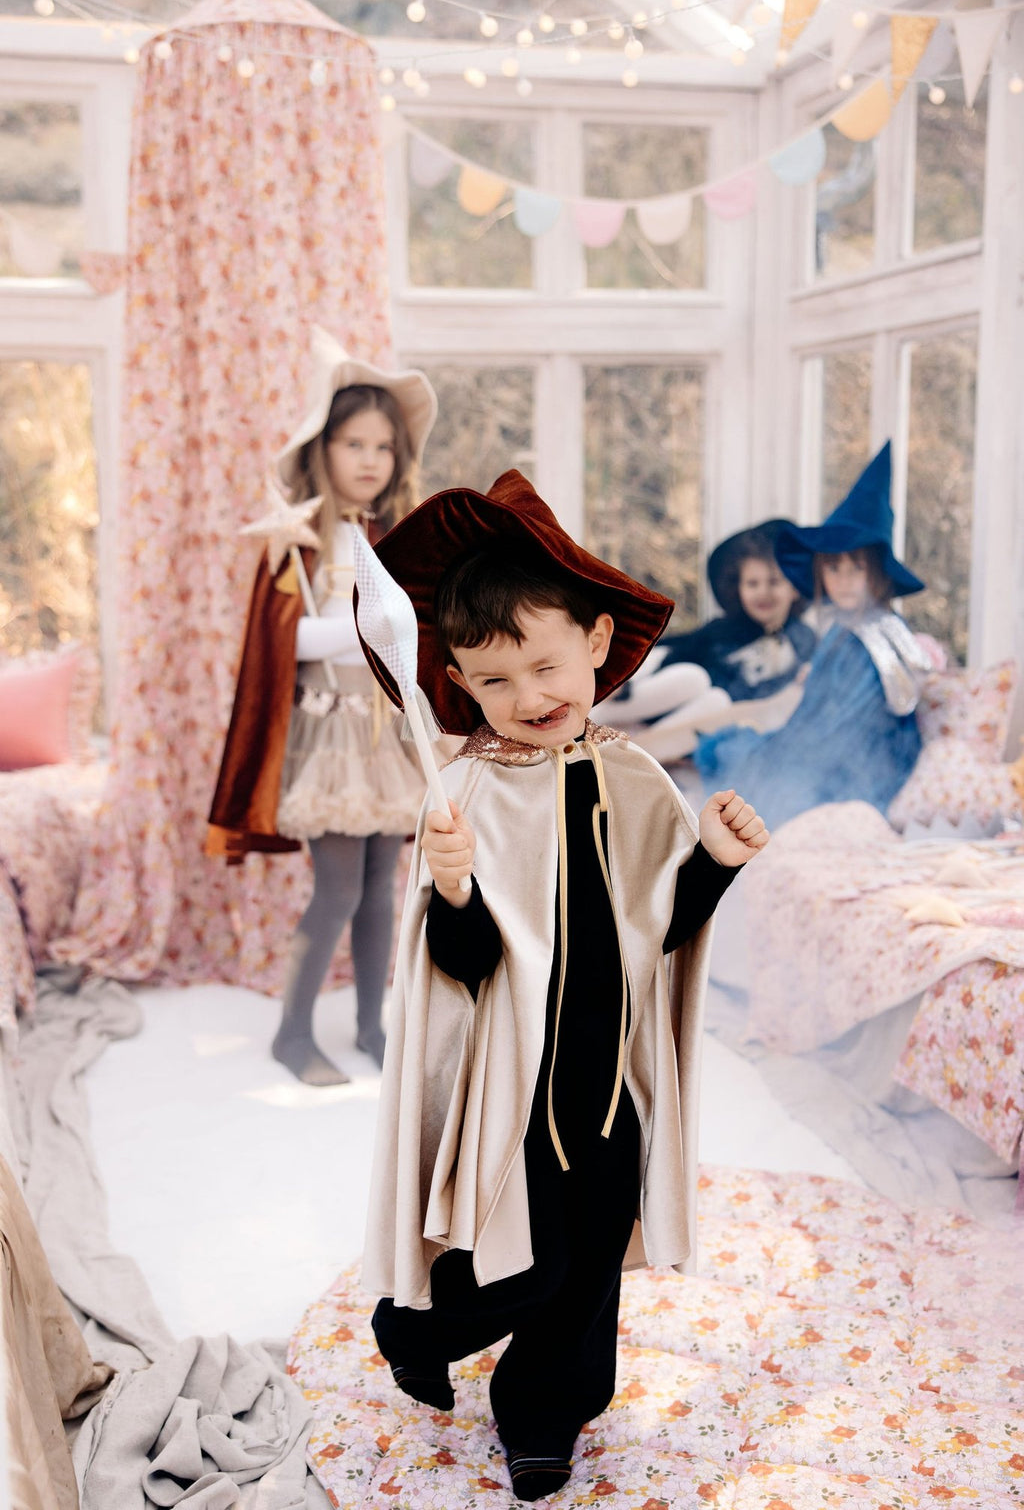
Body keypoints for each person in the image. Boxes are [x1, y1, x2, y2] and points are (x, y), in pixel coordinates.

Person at [357, 469, 768, 1502]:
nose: (529, 695)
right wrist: (451, 887)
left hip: (608, 1076)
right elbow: (457, 970)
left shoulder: (634, 779)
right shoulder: (464, 795)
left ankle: (545, 1414)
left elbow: (661, 932)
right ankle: (417, 1322)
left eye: (546, 662)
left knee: (586, 1270)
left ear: (594, 641)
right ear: (457, 681)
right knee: (519, 1256)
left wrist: (710, 858)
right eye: (494, 681)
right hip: (514, 1082)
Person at [207, 327, 437, 1085]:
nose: (371, 459)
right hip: (328, 729)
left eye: (384, 446)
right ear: (323, 447)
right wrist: (360, 628)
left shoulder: (391, 536)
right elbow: (284, 639)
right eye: (354, 443)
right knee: (337, 886)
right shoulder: (300, 540)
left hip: (382, 731)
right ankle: (293, 1034)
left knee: (381, 888)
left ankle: (374, 1025)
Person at [694, 442, 931, 830]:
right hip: (822, 745)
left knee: (753, 767)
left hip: (863, 763)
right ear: (820, 573)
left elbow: (849, 724)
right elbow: (816, 712)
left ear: (878, 573)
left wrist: (790, 752)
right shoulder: (842, 630)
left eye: (856, 568)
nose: (844, 580)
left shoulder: (876, 636)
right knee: (735, 747)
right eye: (833, 568)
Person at [593, 519, 816, 761]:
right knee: (694, 678)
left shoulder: (803, 640)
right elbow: (678, 652)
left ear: (794, 587)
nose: (763, 592)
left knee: (718, 701)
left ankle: (636, 756)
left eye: (774, 582)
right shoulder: (724, 629)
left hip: (706, 720)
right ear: (738, 588)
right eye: (753, 584)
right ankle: (596, 716)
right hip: (661, 698)